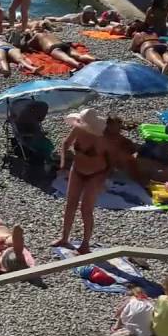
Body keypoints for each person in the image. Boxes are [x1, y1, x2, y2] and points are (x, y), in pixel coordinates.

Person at [55, 108, 111, 254]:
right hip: (77, 169)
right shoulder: (78, 129)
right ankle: (64, 238)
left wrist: (104, 180)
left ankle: (85, 244)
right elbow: (66, 143)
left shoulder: (102, 138)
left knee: (86, 209)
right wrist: (63, 164)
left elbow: (111, 160)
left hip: (95, 174)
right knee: (70, 204)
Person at [22, 28, 97, 69]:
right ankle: (95, 60)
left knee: (67, 58)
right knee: (80, 56)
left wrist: (27, 37)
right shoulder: (49, 34)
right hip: (64, 45)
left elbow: (26, 45)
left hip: (53, 47)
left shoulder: (37, 35)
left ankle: (78, 65)